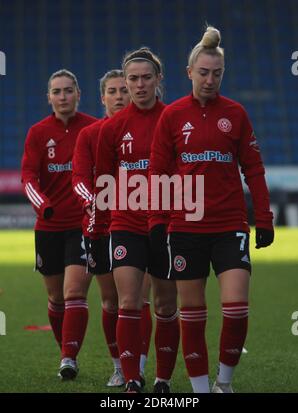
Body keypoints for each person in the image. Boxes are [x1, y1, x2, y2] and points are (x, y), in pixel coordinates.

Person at [148, 26, 274, 393]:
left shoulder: (235, 113)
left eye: (217, 73)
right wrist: (158, 218)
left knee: (236, 307)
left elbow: (254, 169)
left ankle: (224, 382)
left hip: (229, 223)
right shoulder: (171, 116)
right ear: (189, 72)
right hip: (185, 228)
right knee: (193, 313)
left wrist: (263, 218)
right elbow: (158, 171)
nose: (210, 79)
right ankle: (201, 389)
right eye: (203, 72)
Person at [93, 48, 179, 393]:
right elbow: (104, 179)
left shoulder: (174, 119)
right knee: (129, 301)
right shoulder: (113, 128)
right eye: (132, 79)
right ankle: (131, 378)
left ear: (158, 79)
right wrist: (100, 228)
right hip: (126, 224)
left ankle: (163, 379)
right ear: (125, 83)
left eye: (146, 78)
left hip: (168, 225)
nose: (139, 85)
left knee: (165, 304)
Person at [72, 69, 152, 387]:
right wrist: (94, 202)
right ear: (102, 97)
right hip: (100, 227)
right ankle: (119, 364)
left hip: (140, 225)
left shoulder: (150, 127)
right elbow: (78, 178)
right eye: (113, 91)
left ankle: (139, 366)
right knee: (110, 301)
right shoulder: (91, 135)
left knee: (138, 299)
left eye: (124, 89)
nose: (120, 96)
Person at [21, 69, 97, 380]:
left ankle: (68, 357)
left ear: (79, 94)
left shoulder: (94, 128)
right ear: (49, 97)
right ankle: (66, 352)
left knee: (74, 291)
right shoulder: (38, 133)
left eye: (68, 90)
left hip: (83, 225)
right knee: (55, 298)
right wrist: (44, 206)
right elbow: (28, 178)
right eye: (57, 91)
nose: (63, 96)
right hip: (49, 227)